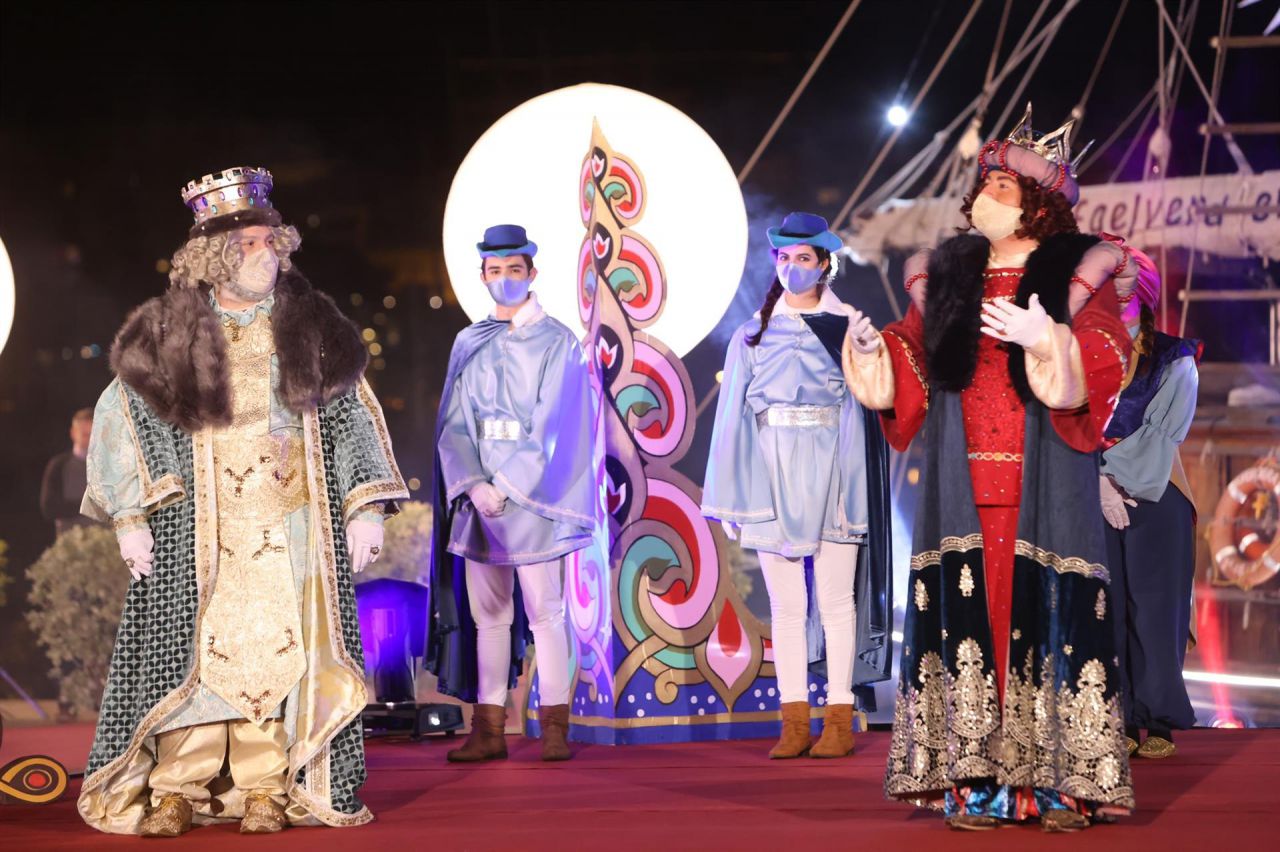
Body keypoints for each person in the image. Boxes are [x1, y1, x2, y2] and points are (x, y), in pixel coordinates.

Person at [79, 166, 408, 837]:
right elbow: (124, 415)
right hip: (196, 525)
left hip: (289, 523)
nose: (265, 255)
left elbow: (351, 417)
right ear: (211, 256)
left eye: (269, 242)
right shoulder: (168, 333)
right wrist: (130, 516)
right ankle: (179, 786)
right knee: (193, 655)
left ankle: (264, 786)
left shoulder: (312, 328)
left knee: (277, 652)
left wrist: (365, 506)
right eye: (247, 245)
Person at [843, 107, 1139, 831]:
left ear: (1037, 201)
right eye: (986, 184)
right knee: (972, 620)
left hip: (1047, 482)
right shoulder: (950, 273)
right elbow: (915, 355)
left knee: (1049, 620)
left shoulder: (1079, 270)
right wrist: (876, 354)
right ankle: (975, 784)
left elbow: (1108, 352)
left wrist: (1050, 341)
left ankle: (1063, 786)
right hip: (963, 481)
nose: (987, 195)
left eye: (1004, 185)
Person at [703, 212, 892, 761]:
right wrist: (732, 495)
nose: (792, 267)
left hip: (833, 472)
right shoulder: (751, 334)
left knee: (835, 602)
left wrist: (871, 355)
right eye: (784, 258)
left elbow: (868, 406)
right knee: (786, 606)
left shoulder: (846, 326)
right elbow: (732, 419)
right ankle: (792, 722)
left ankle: (838, 720)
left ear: (824, 264)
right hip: (771, 477)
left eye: (803, 258)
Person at [427, 224, 596, 763]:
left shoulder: (558, 342)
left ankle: (554, 726)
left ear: (531, 273)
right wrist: (474, 484)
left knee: (546, 612)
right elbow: (454, 423)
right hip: (480, 502)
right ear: (482, 276)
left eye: (513, 270)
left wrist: (506, 484)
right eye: (495, 271)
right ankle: (489, 729)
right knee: (490, 617)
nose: (504, 279)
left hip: (534, 499)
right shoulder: (469, 342)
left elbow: (554, 423)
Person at [1099, 244, 1200, 760]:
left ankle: (1159, 720)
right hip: (1091, 494)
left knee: (1156, 611)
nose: (1117, 299)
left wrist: (1111, 477)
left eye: (1126, 290)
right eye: (1107, 289)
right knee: (1105, 610)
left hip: (1156, 492)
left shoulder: (1174, 358)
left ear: (1144, 296)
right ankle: (1114, 718)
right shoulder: (1080, 351)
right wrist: (1093, 482)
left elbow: (1164, 434)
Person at [40, 407, 96, 536]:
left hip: (107, 542)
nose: (90, 438)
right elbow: (49, 508)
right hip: (72, 543)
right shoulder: (59, 465)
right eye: (85, 434)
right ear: (73, 433)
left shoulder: (111, 465)